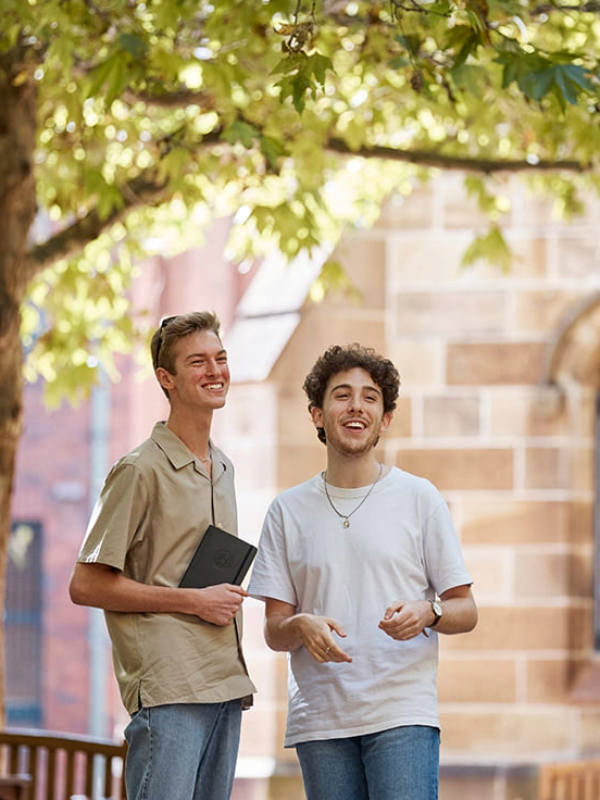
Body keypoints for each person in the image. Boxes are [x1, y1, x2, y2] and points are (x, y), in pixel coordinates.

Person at [248, 343, 478, 800]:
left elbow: (465, 609)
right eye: (342, 395)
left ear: (385, 418)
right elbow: (274, 631)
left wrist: (428, 612)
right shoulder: (286, 510)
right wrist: (301, 624)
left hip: (402, 713)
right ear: (317, 414)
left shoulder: (419, 497)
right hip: (322, 719)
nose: (357, 406)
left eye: (370, 397)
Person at [69, 311, 256, 800]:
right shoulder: (138, 470)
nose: (215, 370)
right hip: (169, 689)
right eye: (198, 361)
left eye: (221, 358)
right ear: (165, 379)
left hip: (226, 684)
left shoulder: (224, 468)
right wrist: (193, 602)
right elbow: (86, 584)